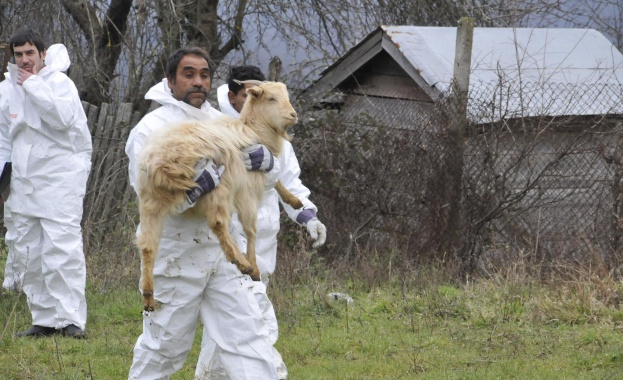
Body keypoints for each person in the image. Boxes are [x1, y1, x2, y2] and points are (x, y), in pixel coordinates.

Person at [125, 47, 280, 379]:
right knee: (163, 347)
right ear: (170, 81)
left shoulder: (222, 123)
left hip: (224, 252)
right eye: (188, 74)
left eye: (204, 74)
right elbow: (147, 194)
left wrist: (267, 168)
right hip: (176, 254)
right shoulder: (150, 128)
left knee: (249, 337)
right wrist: (193, 191)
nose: (198, 82)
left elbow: (250, 189)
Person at [195, 65, 327, 379]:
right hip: (229, 246)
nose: (257, 103)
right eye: (249, 96)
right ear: (232, 96)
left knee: (228, 329)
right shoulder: (214, 128)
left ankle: (209, 376)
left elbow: (290, 186)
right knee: (257, 324)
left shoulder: (278, 138)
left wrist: (308, 216)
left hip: (264, 248)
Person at [0, 29, 92, 338]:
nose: (24, 60)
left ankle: (70, 320)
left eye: (30, 53)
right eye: (18, 54)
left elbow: (62, 119)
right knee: (29, 250)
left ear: (43, 55)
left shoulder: (60, 84)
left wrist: (33, 84)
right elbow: (3, 138)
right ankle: (44, 318)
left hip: (59, 179)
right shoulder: (7, 90)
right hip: (24, 181)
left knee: (61, 248)